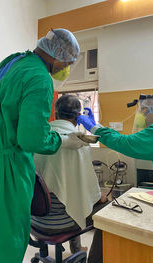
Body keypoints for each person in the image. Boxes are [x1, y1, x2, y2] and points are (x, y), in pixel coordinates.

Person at [0, 29, 89, 263]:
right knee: (5, 240)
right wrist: (62, 140)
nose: (67, 68)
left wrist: (47, 132)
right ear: (59, 57)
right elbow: (31, 139)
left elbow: (15, 120)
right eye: (69, 63)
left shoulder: (12, 62)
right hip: (4, 171)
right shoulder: (40, 78)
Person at [32, 95, 107, 263]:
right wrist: (100, 196)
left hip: (35, 219)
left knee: (68, 195)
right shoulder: (79, 141)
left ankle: (75, 249)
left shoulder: (40, 136)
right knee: (105, 209)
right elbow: (86, 189)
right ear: (78, 116)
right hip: (62, 223)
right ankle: (90, 258)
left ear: (56, 113)